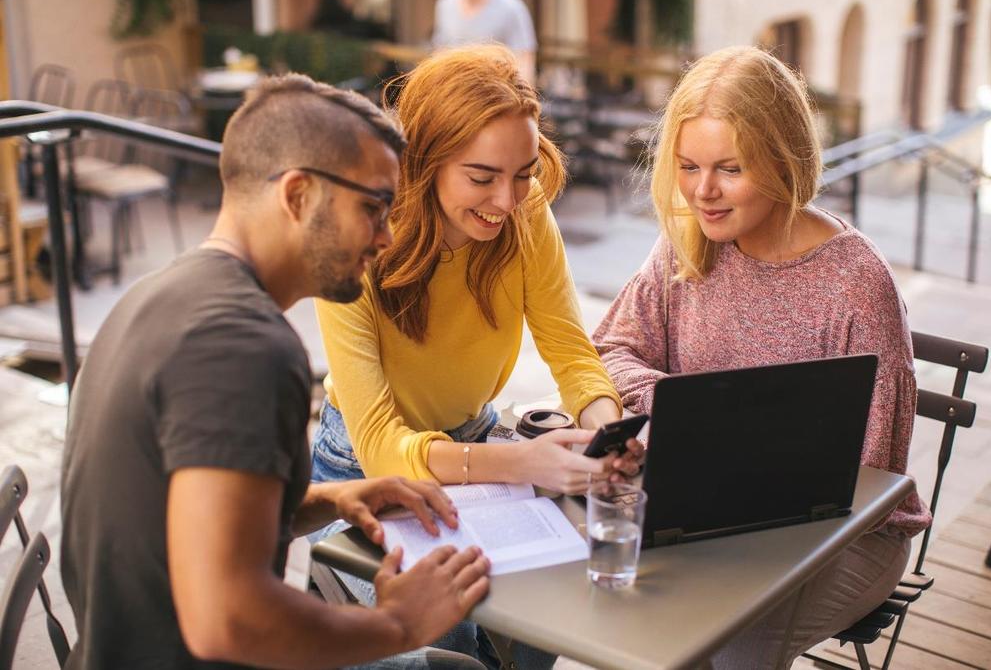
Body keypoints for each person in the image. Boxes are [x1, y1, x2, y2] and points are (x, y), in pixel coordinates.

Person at [60, 73, 491, 670]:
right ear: (297, 196)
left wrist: (334, 498)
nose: (388, 237)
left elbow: (196, 518)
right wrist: (396, 623)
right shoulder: (244, 347)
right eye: (373, 208)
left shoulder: (161, 295)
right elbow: (228, 620)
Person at [591, 46, 933, 668]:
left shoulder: (855, 284)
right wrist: (676, 405)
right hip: (705, 505)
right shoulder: (688, 245)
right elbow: (611, 347)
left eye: (730, 169)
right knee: (609, 602)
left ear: (784, 159)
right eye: (688, 166)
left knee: (724, 640)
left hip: (844, 536)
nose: (703, 191)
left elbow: (870, 475)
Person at [310, 45, 642, 668]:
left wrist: (605, 430)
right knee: (452, 644)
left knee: (555, 614)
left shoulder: (525, 212)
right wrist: (522, 464)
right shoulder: (352, 238)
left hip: (475, 444)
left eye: (522, 173)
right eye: (482, 177)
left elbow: (572, 351)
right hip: (361, 471)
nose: (509, 199)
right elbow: (382, 445)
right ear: (423, 164)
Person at [432, 0, 537, 84]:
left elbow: (524, 63)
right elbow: (439, 53)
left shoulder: (511, 7)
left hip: (495, 95)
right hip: (455, 94)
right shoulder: (445, 4)